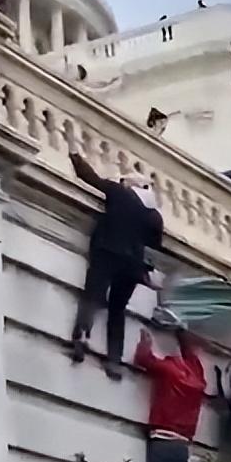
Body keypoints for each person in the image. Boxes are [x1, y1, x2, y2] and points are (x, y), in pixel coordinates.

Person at [69, 153, 163, 380]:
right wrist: (145, 273)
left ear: (131, 185)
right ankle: (114, 360)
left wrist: (75, 156)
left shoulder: (120, 193)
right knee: (118, 309)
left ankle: (82, 338)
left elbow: (89, 177)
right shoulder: (154, 216)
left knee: (93, 295)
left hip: (107, 252)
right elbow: (153, 248)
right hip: (132, 267)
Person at [134, 328, 206, 462]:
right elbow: (193, 360)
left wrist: (145, 343)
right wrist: (182, 335)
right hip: (182, 448)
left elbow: (144, 359)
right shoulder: (198, 380)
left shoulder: (169, 371)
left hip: (162, 442)